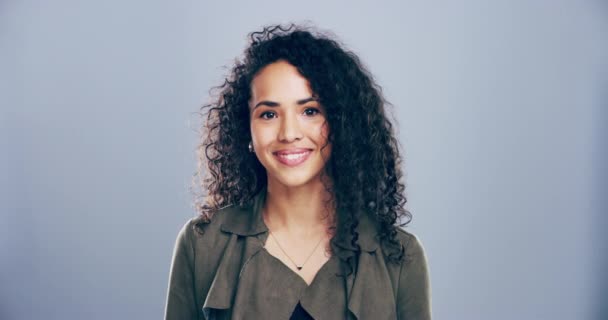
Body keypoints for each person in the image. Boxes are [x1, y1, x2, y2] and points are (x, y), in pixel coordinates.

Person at [164, 23, 431, 320]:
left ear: (341, 122)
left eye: (310, 111)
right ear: (246, 130)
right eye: (268, 114)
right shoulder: (201, 244)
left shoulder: (400, 255)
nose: (289, 132)